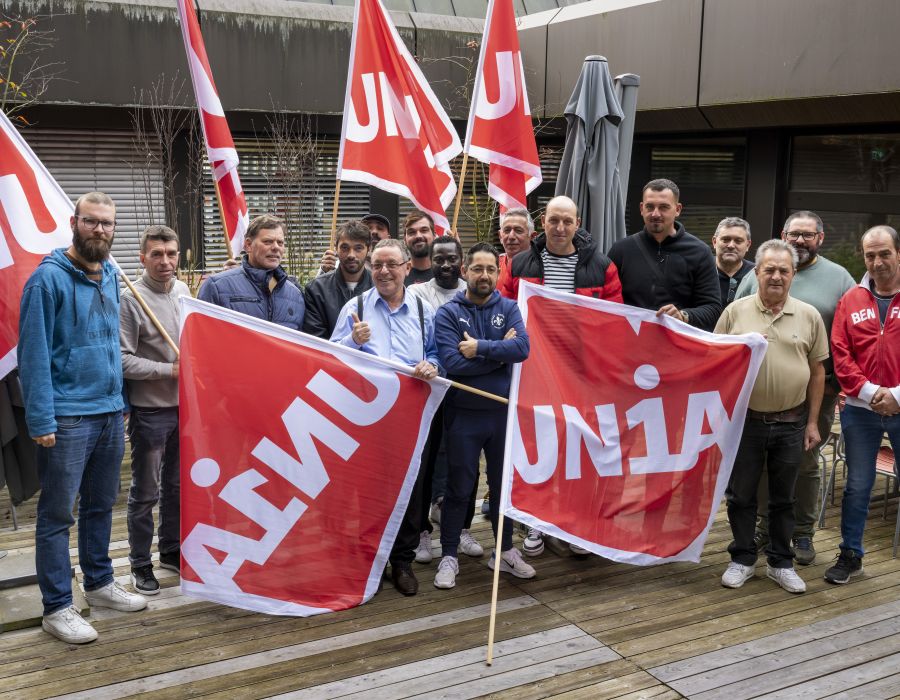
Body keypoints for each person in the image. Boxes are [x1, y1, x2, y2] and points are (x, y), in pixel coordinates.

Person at [18, 192, 147, 644]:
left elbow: (111, 344)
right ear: (74, 222)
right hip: (68, 418)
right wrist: (41, 421)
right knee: (57, 515)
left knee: (99, 505)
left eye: (107, 224)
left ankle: (99, 581)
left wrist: (122, 398)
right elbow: (32, 356)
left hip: (110, 412)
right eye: (91, 222)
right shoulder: (46, 281)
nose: (99, 230)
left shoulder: (111, 273)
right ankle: (56, 607)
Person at [499, 195, 622, 557]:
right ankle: (536, 524)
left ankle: (573, 525)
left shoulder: (602, 266)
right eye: (554, 220)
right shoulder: (521, 263)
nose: (560, 228)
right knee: (538, 447)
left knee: (578, 449)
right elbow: (503, 306)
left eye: (567, 221)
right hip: (533, 368)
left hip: (582, 372)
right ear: (544, 222)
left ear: (578, 223)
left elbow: (613, 318)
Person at [735, 211, 855, 565]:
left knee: (804, 463)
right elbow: (734, 325)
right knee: (761, 465)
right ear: (782, 235)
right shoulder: (755, 276)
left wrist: (841, 382)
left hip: (817, 393)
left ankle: (802, 533)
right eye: (793, 234)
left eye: (807, 234)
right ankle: (763, 527)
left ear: (820, 237)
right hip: (758, 398)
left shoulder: (839, 279)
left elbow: (849, 335)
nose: (800, 240)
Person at [715, 239, 827, 594]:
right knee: (741, 495)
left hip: (792, 422)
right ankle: (743, 558)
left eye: (783, 270)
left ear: (793, 274)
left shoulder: (808, 315)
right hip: (745, 421)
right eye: (769, 270)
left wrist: (812, 422)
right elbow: (713, 360)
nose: (776, 276)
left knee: (784, 498)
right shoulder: (736, 312)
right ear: (757, 272)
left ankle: (781, 562)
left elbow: (818, 371)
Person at [331, 239, 441, 596]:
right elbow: (331, 361)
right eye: (377, 265)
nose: (383, 272)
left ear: (408, 268)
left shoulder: (425, 310)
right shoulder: (356, 307)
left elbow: (437, 352)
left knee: (410, 490)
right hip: (368, 419)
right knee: (367, 491)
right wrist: (351, 340)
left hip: (409, 420)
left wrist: (432, 364)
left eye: (392, 264)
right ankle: (370, 561)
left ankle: (403, 561)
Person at [433, 242, 534, 588]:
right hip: (464, 415)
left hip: (502, 413)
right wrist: (499, 352)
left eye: (491, 269)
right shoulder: (448, 313)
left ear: (499, 272)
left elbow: (522, 348)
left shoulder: (509, 307)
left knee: (502, 485)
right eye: (478, 269)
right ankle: (448, 554)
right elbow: (453, 363)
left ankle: (503, 551)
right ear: (465, 271)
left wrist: (480, 347)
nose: (485, 275)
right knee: (459, 486)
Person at [825, 225, 900, 584]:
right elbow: (840, 354)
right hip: (859, 408)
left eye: (884, 253)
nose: (877, 261)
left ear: (898, 253)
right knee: (857, 484)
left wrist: (896, 395)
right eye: (870, 255)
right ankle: (851, 554)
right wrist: (871, 394)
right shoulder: (851, 299)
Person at [119, 225, 190, 595]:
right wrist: (169, 370)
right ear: (142, 257)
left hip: (186, 409)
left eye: (171, 254)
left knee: (177, 488)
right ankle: (139, 563)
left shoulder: (182, 290)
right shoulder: (130, 298)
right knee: (146, 491)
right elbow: (122, 360)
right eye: (157, 254)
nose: (166, 261)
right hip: (150, 413)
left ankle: (171, 550)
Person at [406, 237, 481, 563]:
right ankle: (422, 532)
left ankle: (462, 528)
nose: (446, 265)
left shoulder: (474, 291)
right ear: (431, 261)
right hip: (428, 390)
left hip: (465, 391)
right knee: (424, 464)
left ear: (461, 261)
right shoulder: (417, 293)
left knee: (466, 464)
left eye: (452, 259)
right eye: (440, 259)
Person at [607, 178, 722, 331]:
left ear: (678, 209)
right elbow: (605, 302)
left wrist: (683, 316)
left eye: (663, 207)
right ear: (641, 208)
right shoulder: (621, 250)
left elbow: (713, 309)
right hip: (630, 346)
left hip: (677, 347)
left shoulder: (700, 252)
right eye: (650, 207)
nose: (655, 214)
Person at [198, 214, 305, 330]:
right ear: (248, 245)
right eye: (268, 241)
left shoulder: (296, 295)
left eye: (280, 243)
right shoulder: (217, 287)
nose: (276, 247)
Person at [303, 220, 374, 338]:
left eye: (358, 248)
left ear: (369, 249)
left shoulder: (379, 288)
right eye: (345, 248)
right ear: (336, 248)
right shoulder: (316, 290)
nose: (351, 255)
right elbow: (315, 340)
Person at [318, 212, 393, 274]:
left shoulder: (396, 268)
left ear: (389, 238)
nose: (374, 232)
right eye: (369, 228)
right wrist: (324, 272)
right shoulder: (338, 266)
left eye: (380, 228)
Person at [712, 217, 754, 307]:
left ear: (748, 245)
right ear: (714, 242)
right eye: (725, 240)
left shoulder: (756, 274)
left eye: (738, 241)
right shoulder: (700, 269)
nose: (731, 245)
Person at [403, 210, 436, 286]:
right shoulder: (398, 275)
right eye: (412, 232)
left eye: (424, 230)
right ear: (404, 239)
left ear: (434, 236)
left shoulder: (445, 273)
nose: (418, 236)